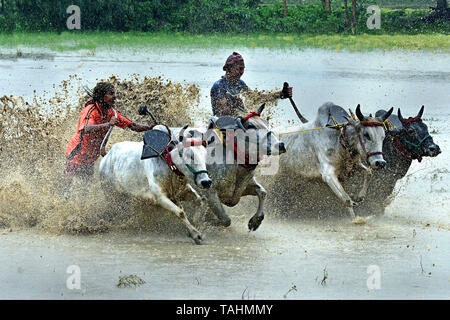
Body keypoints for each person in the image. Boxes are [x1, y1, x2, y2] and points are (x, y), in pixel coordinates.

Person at [65, 82, 152, 181]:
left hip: (91, 158)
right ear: (102, 96)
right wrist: (108, 124)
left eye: (114, 93)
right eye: (111, 94)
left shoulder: (112, 113)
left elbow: (132, 125)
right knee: (67, 185)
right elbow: (86, 129)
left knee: (85, 187)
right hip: (77, 154)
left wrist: (150, 127)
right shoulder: (90, 110)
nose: (115, 97)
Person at [210, 52, 293, 117]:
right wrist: (235, 104)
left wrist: (281, 94)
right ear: (230, 68)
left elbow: (256, 99)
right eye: (239, 69)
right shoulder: (218, 86)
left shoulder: (240, 84)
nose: (241, 72)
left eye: (243, 69)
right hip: (222, 126)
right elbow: (223, 112)